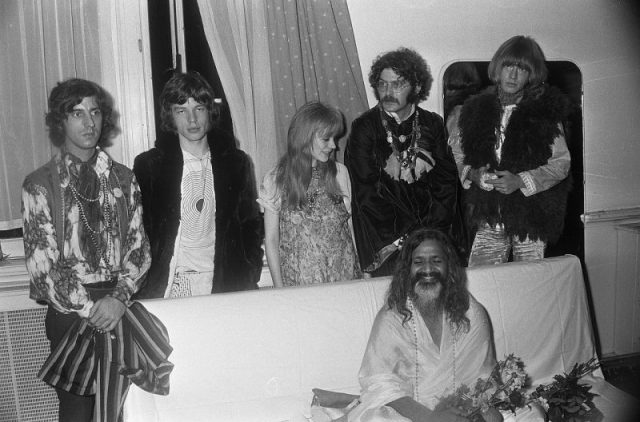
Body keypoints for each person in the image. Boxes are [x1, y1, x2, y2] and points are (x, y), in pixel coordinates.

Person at [21, 78, 151, 421]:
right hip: (71, 312)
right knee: (77, 412)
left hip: (120, 305)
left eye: (94, 111)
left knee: (123, 408)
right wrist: (92, 308)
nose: (88, 122)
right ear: (59, 122)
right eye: (76, 113)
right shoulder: (40, 184)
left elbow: (138, 247)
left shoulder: (124, 178)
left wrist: (119, 299)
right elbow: (43, 265)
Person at [312, 228, 503, 422]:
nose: (428, 269)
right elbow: (380, 383)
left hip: (457, 409)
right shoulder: (392, 316)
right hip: (406, 413)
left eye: (436, 261)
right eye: (418, 262)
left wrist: (461, 411)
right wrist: (429, 418)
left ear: (450, 267)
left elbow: (482, 377)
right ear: (407, 269)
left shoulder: (470, 313)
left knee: (497, 417)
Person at [133, 71, 264, 298]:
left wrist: (248, 272)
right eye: (181, 110)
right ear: (170, 116)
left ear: (210, 112)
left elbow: (250, 224)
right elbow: (139, 231)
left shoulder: (236, 162)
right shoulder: (150, 165)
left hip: (223, 282)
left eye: (199, 109)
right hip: (170, 283)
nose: (192, 120)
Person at [449, 36, 572, 266]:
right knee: (482, 284)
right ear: (498, 67)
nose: (513, 75)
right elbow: (456, 155)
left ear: (531, 75)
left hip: (531, 219)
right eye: (508, 66)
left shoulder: (545, 113)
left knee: (529, 287)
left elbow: (561, 164)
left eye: (522, 69)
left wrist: (521, 181)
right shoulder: (472, 110)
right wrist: (472, 174)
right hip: (488, 217)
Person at [345, 47, 464, 277]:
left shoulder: (432, 124)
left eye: (397, 84)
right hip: (389, 244)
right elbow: (366, 193)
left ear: (417, 87)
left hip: (432, 238)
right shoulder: (364, 127)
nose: (387, 92)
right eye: (382, 84)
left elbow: (446, 186)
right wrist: (407, 240)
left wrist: (429, 235)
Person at [259, 101, 361, 287]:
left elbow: (351, 229)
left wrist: (362, 276)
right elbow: (272, 240)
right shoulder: (276, 179)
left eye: (335, 138)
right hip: (301, 284)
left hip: (345, 280)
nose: (333, 146)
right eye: (326, 139)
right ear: (305, 137)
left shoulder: (340, 173)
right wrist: (279, 289)